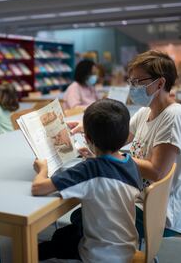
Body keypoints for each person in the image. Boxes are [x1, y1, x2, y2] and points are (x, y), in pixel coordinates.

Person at [68, 50, 181, 238]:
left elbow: (156, 171)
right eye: (131, 82)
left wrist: (108, 156)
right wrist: (89, 128)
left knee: (84, 215)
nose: (133, 87)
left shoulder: (174, 117)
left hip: (163, 213)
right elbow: (118, 137)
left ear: (160, 83)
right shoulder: (146, 112)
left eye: (138, 82)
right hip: (142, 199)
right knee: (83, 215)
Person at [32, 99, 142, 263]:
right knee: (64, 234)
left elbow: (38, 188)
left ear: (88, 138)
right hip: (127, 248)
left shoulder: (90, 170)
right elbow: (108, 174)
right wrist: (93, 156)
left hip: (99, 255)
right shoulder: (130, 163)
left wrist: (42, 169)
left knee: (56, 242)